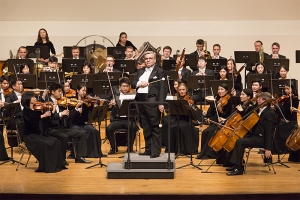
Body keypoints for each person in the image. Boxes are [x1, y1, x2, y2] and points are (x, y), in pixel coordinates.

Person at [227, 92, 276, 176]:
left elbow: (269, 132)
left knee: (240, 142)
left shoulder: (269, 113)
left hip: (261, 139)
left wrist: (268, 148)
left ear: (265, 101)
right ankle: (237, 164)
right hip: (254, 136)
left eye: (259, 98)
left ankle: (238, 168)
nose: (257, 99)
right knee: (237, 138)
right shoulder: (258, 110)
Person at [41, 83, 91, 164]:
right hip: (50, 129)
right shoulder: (47, 103)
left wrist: (74, 110)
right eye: (59, 91)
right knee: (64, 137)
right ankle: (62, 160)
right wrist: (61, 114)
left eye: (61, 91)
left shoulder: (61, 103)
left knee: (82, 133)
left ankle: (79, 157)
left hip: (61, 128)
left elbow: (69, 117)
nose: (61, 93)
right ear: (53, 92)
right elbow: (48, 117)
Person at [131, 51, 167, 158]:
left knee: (154, 126)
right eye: (146, 59)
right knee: (145, 126)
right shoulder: (140, 71)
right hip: (140, 101)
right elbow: (133, 84)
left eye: (150, 58)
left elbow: (162, 89)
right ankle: (148, 149)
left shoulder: (160, 71)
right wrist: (139, 83)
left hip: (152, 101)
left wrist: (161, 103)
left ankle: (155, 151)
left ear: (155, 60)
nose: (147, 60)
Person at [21, 92, 67, 172]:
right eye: (33, 97)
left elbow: (46, 121)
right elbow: (31, 120)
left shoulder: (37, 109)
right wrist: (42, 116)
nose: (35, 98)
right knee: (44, 143)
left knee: (55, 141)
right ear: (28, 99)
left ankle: (57, 164)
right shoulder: (26, 111)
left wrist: (51, 112)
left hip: (39, 134)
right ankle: (47, 166)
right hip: (29, 136)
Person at [196, 83, 232, 159]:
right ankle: (204, 152)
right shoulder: (216, 99)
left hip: (223, 123)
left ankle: (210, 153)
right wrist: (206, 113)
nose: (220, 91)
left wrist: (221, 109)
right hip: (215, 122)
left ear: (226, 91)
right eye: (219, 89)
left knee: (211, 132)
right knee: (205, 132)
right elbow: (212, 112)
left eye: (222, 89)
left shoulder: (229, 101)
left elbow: (227, 114)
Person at [69, 83, 106, 158]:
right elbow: (70, 117)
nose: (84, 92)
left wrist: (100, 105)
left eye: (85, 91)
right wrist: (77, 106)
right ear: (78, 91)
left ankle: (95, 153)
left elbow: (94, 113)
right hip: (74, 124)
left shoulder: (88, 102)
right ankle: (80, 154)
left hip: (84, 123)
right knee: (82, 132)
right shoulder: (72, 101)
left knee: (94, 131)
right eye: (83, 90)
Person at [162, 82, 198, 154]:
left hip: (187, 120)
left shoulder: (190, 99)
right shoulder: (175, 99)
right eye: (180, 89)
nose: (182, 91)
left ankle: (183, 150)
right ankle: (172, 150)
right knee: (171, 127)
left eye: (183, 89)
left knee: (181, 126)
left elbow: (195, 113)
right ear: (178, 90)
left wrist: (191, 107)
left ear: (186, 90)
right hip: (177, 119)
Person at [105, 78, 137, 154]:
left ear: (129, 87)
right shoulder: (116, 96)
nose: (125, 88)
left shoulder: (133, 96)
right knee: (109, 128)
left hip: (129, 119)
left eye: (127, 86)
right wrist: (111, 105)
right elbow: (108, 108)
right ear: (120, 87)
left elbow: (137, 108)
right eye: (123, 86)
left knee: (133, 127)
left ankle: (130, 148)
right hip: (117, 119)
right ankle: (114, 148)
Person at [272, 82, 299, 154]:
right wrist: (276, 107)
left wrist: (279, 105)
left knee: (280, 127)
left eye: (288, 89)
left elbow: (287, 111)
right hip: (284, 120)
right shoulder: (284, 99)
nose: (286, 91)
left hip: (291, 121)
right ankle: (276, 148)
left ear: (292, 89)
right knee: (277, 125)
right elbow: (281, 112)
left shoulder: (295, 99)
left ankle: (282, 149)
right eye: (285, 89)